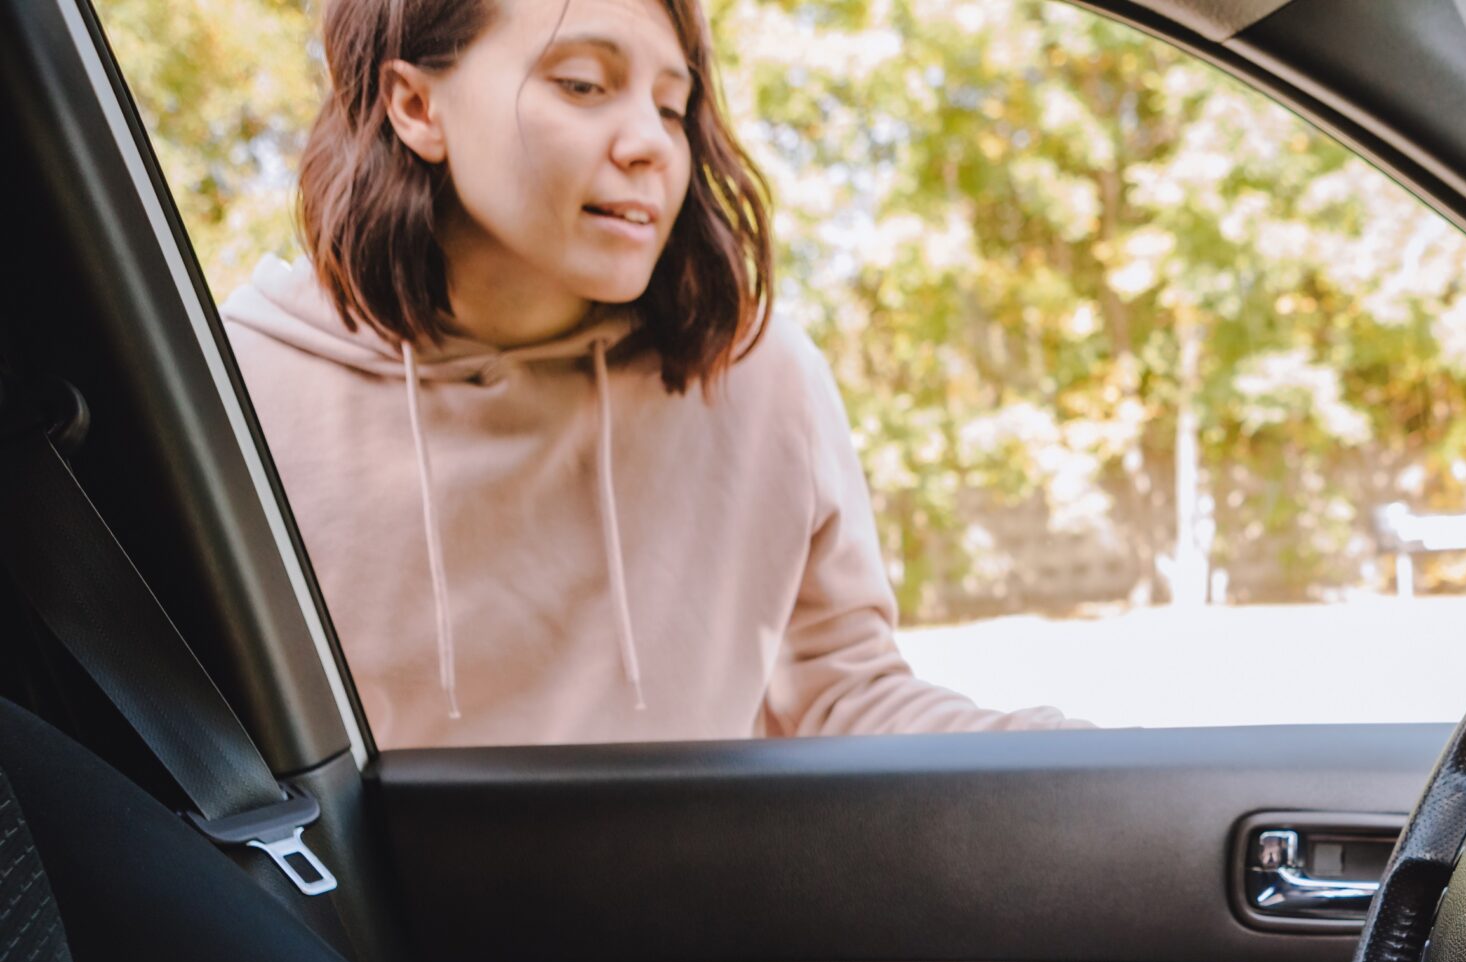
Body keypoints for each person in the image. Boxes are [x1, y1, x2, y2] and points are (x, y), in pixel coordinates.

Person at [222, 0, 1069, 746]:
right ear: (415, 103)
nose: (651, 147)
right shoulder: (240, 399)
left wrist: (1084, 761)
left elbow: (843, 698)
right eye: (585, 84)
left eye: (672, 105)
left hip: (688, 925)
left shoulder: (754, 377)